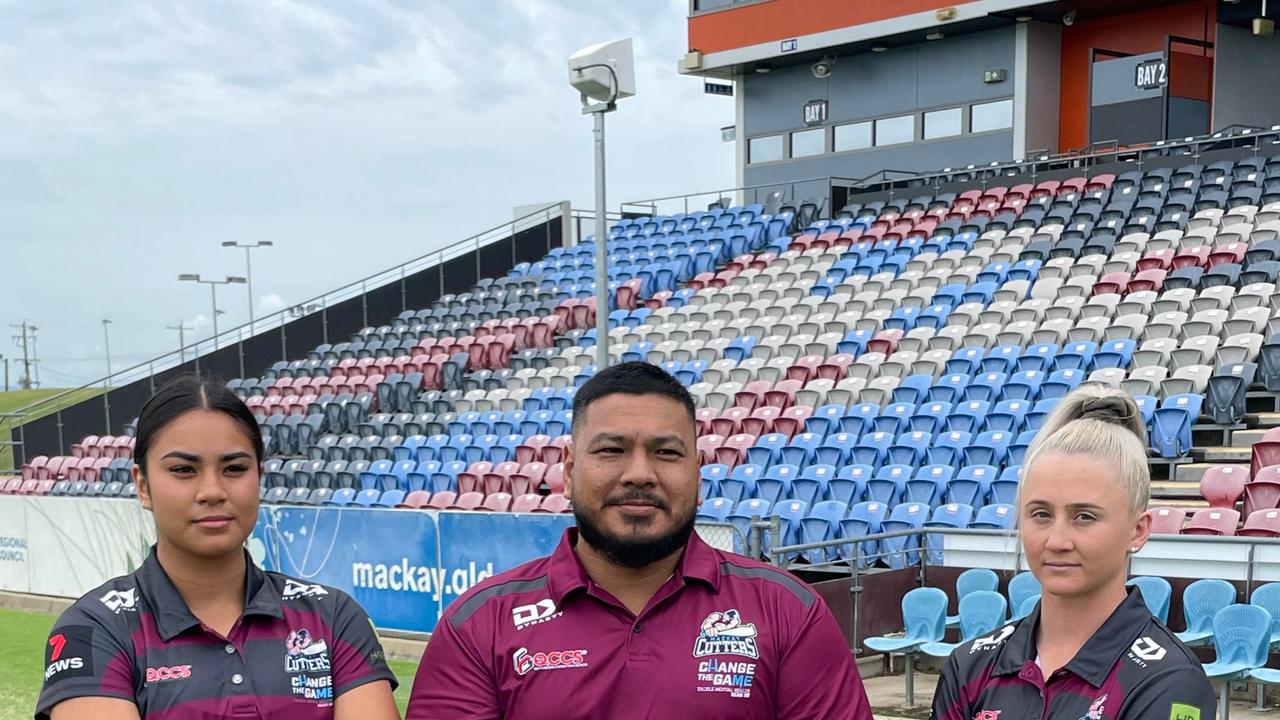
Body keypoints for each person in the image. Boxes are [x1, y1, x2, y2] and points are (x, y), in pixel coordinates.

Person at [406, 361, 872, 719]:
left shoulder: (788, 610)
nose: (640, 474)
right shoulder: (479, 625)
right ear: (569, 470)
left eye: (666, 453)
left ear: (697, 473)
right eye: (612, 450)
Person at [36, 376, 400, 720]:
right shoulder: (94, 629)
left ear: (259, 475)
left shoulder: (332, 617)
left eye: (234, 468)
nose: (212, 491)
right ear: (143, 485)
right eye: (183, 470)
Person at [931, 386, 1216, 720]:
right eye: (1041, 514)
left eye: (1085, 516)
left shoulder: (1170, 681)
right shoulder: (971, 666)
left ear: (1138, 531)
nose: (1057, 540)